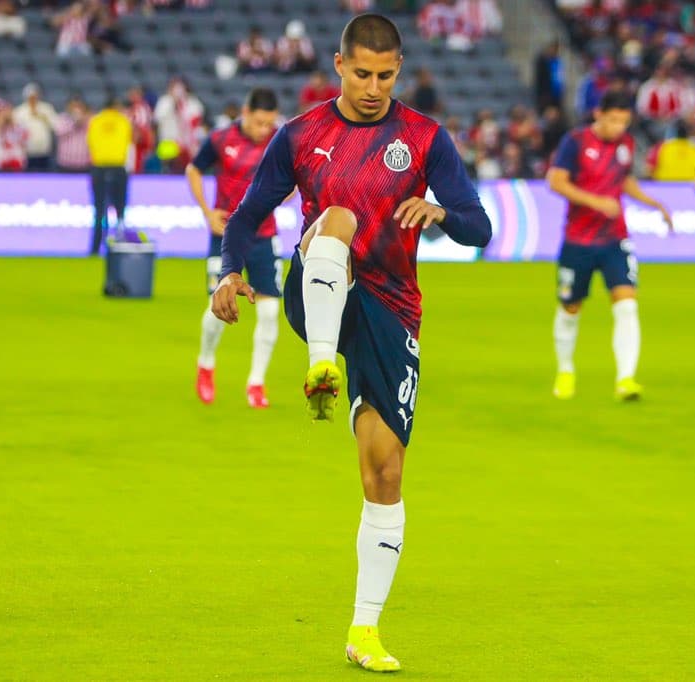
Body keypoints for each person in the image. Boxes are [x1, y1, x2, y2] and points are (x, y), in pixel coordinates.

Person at [210, 13, 490, 673]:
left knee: (384, 472)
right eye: (361, 73)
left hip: (390, 311)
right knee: (336, 218)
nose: (373, 87)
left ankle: (364, 630)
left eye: (385, 76)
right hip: (319, 289)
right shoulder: (301, 134)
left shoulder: (425, 138)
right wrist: (228, 272)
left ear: (398, 70)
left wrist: (441, 212)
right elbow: (248, 216)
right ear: (339, 65)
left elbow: (478, 227)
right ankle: (320, 370)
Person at [546, 90, 673, 402]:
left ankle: (626, 379)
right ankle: (565, 371)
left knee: (627, 304)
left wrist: (653, 202)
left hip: (615, 238)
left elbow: (623, 181)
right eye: (614, 120)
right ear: (598, 115)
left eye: (624, 122)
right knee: (571, 307)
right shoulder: (575, 142)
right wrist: (596, 202)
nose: (619, 127)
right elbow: (556, 181)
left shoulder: (625, 144)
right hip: (579, 240)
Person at [186, 88, 282, 408]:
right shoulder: (220, 139)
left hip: (264, 235)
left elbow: (295, 181)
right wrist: (206, 211)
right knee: (219, 307)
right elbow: (193, 169)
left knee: (269, 312)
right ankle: (206, 363)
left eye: (269, 123)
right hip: (227, 235)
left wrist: (282, 195)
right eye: (258, 122)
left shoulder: (280, 141)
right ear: (245, 112)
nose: (263, 129)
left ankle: (256, 383)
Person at [86, 95, 133, 255]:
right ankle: (119, 246)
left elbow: (90, 143)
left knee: (99, 210)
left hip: (99, 168)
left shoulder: (95, 121)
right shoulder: (123, 121)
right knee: (120, 210)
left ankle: (95, 247)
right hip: (118, 167)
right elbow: (128, 142)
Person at [12, 83, 56, 170]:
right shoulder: (19, 111)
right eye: (31, 96)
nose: (33, 98)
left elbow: (55, 126)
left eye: (35, 96)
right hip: (26, 152)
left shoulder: (47, 108)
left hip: (44, 151)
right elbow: (16, 131)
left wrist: (43, 117)